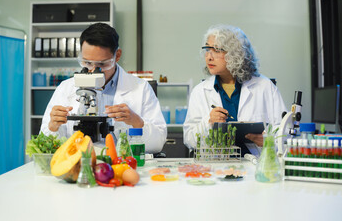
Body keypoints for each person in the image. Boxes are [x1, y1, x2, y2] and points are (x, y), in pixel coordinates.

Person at [40, 23, 167, 153]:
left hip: (121, 165)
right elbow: (44, 144)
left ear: (117, 55)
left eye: (102, 64)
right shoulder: (65, 88)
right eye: (87, 63)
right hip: (78, 164)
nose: (94, 70)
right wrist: (53, 127)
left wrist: (136, 122)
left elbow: (158, 143)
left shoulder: (141, 88)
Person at [183, 24, 287, 156]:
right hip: (215, 167)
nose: (209, 57)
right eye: (207, 49)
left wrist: (268, 140)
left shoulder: (264, 87)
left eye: (216, 50)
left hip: (255, 166)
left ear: (235, 54)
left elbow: (286, 131)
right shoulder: (200, 92)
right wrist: (208, 123)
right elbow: (189, 139)